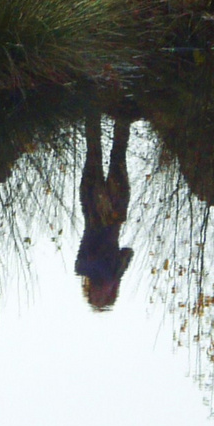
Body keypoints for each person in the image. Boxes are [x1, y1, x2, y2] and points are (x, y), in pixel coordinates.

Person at [74, 114, 133, 310]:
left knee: (96, 154)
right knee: (115, 156)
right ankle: (121, 110)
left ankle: (95, 108)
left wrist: (113, 276)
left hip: (95, 209)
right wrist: (115, 278)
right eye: (102, 298)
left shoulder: (83, 268)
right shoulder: (86, 268)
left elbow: (122, 254)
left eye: (94, 297)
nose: (98, 294)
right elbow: (128, 252)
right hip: (110, 210)